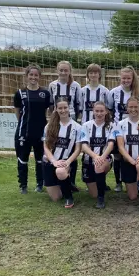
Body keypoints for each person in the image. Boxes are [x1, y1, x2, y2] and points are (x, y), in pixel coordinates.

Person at [14, 65, 53, 194]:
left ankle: (39, 184)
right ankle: (23, 186)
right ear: (27, 76)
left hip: (41, 132)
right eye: (31, 75)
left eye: (36, 75)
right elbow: (18, 113)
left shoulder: (45, 93)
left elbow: (51, 111)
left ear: (39, 77)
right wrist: (24, 124)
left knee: (40, 159)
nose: (33, 77)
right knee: (22, 159)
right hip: (23, 132)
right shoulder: (20, 93)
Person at [109, 66, 139, 193]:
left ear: (132, 78)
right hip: (118, 129)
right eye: (123, 78)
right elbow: (110, 110)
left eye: (128, 78)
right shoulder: (113, 92)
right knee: (119, 156)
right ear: (120, 78)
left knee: (135, 153)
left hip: (135, 129)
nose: (126, 80)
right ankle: (118, 183)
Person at [41, 98, 82, 208]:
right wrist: (53, 161)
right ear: (56, 109)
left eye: (65, 108)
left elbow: (78, 149)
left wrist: (68, 162)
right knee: (56, 198)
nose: (63, 110)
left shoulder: (77, 127)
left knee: (60, 171)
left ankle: (69, 198)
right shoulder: (49, 126)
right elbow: (46, 147)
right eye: (60, 108)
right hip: (50, 163)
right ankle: (68, 184)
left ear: (69, 109)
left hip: (66, 162)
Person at [49, 60, 82, 192]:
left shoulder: (75, 85)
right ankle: (56, 179)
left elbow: (78, 104)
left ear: (70, 71)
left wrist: (73, 118)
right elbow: (51, 104)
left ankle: (71, 181)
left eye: (65, 70)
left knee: (72, 150)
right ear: (57, 71)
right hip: (56, 119)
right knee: (57, 147)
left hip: (71, 118)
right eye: (61, 70)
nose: (63, 72)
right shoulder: (52, 85)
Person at [79, 101, 115, 209]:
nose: (99, 113)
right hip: (88, 160)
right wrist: (95, 156)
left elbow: (111, 144)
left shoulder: (111, 125)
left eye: (101, 111)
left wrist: (101, 157)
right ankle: (101, 185)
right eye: (97, 111)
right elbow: (84, 146)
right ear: (93, 111)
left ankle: (101, 198)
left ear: (106, 112)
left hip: (105, 159)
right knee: (92, 194)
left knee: (98, 166)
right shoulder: (86, 125)